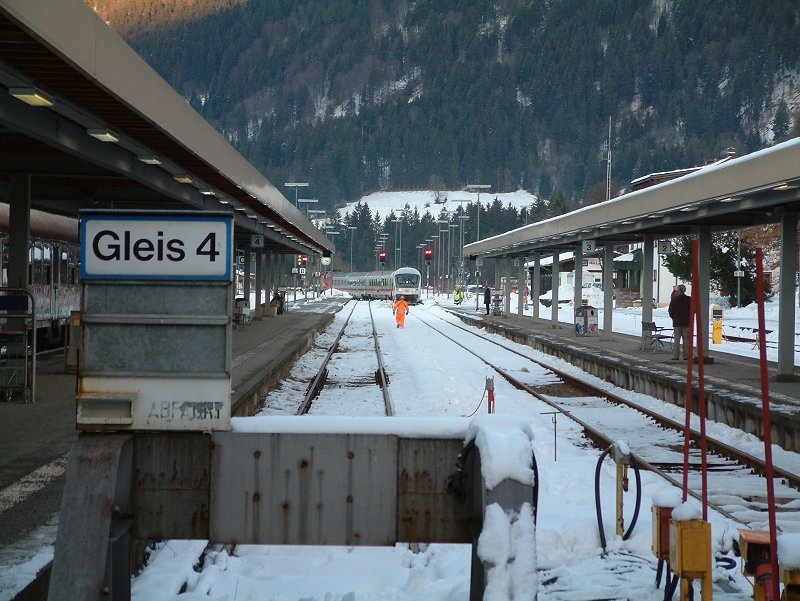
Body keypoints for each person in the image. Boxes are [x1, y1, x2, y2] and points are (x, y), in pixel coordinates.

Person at [668, 284, 690, 360]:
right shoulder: (689, 299)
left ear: (678, 290)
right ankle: (686, 356)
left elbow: (670, 311)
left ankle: (676, 356)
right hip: (687, 323)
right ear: (685, 290)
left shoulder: (674, 300)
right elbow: (693, 310)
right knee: (686, 340)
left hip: (677, 323)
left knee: (676, 340)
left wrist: (674, 318)